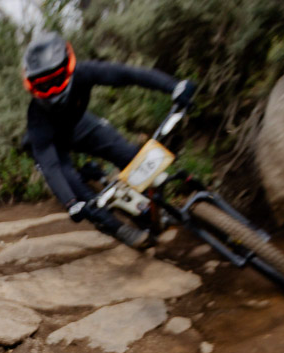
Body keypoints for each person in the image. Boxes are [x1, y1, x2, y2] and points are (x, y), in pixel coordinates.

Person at [21, 30, 196, 246]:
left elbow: (127, 75)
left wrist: (174, 87)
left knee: (133, 158)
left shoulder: (83, 73)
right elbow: (51, 167)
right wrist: (70, 202)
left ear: (69, 65)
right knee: (81, 196)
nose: (52, 89)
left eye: (57, 79)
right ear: (31, 85)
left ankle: (152, 210)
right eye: (43, 85)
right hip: (52, 145)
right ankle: (117, 228)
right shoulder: (36, 118)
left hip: (78, 125)